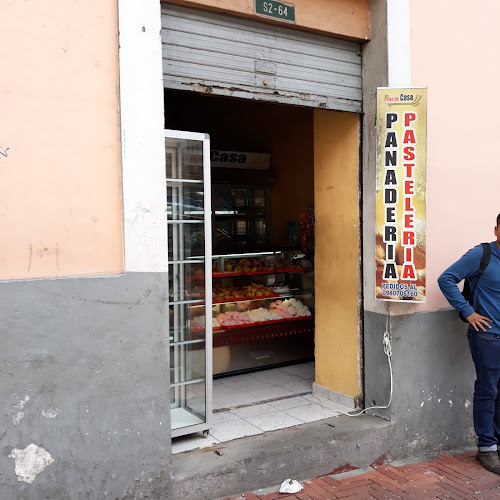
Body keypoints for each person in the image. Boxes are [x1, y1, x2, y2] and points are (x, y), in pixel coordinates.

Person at [438, 213, 500, 474]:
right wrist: (468, 311)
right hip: (488, 335)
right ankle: (486, 448)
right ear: (497, 229)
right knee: (488, 391)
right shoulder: (481, 255)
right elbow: (446, 278)